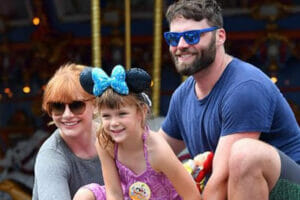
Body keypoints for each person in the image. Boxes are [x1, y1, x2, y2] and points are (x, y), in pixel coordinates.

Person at [159, 0, 300, 200]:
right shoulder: (182, 95)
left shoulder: (245, 87)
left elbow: (220, 184)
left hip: (290, 191)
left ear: (219, 37)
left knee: (245, 154)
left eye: (192, 36)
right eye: (174, 38)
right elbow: (153, 153)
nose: (181, 45)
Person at [73, 65, 201, 200]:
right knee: (84, 195)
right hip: (127, 194)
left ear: (141, 111)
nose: (114, 123)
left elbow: (192, 196)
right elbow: (114, 192)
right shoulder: (105, 142)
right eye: (106, 116)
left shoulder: (157, 151)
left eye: (122, 114)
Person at [32, 63, 104, 200]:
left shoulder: (114, 135)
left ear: (95, 105)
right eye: (58, 106)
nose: (67, 115)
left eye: (76, 105)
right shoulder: (51, 157)